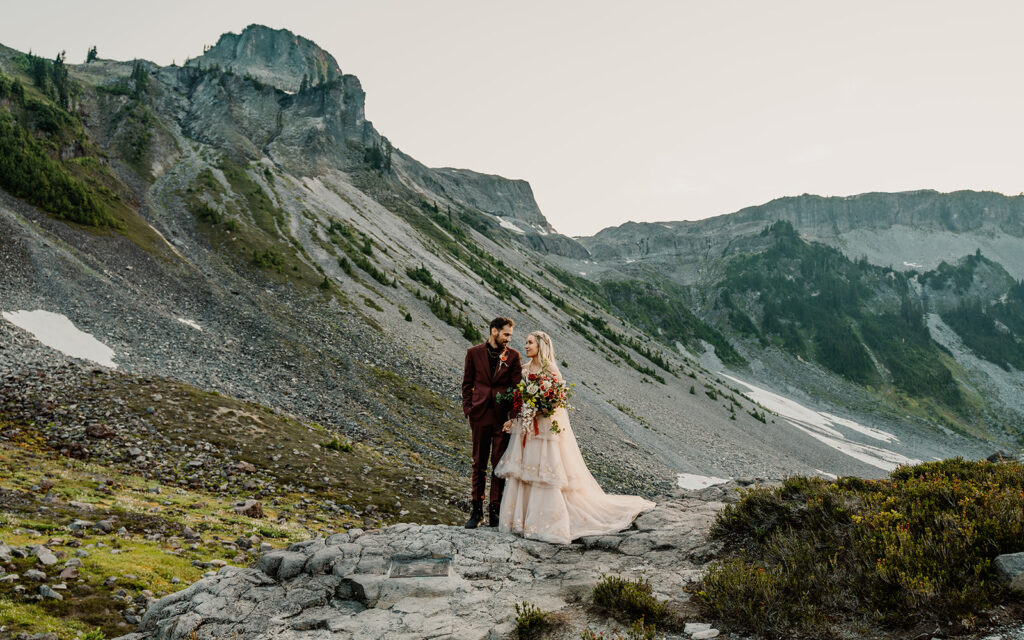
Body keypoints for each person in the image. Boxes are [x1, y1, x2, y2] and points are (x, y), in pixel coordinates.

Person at [495, 331, 655, 544]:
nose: (526, 346)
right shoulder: (523, 370)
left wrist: (538, 408)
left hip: (544, 430)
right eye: (525, 342)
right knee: (526, 472)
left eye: (530, 342)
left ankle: (546, 523)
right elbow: (518, 399)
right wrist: (518, 415)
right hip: (527, 430)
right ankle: (523, 521)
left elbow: (556, 402)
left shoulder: (551, 370)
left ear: (542, 345)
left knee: (545, 473)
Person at [461, 316, 522, 528]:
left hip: (501, 419)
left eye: (510, 335)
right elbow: (467, 383)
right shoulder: (473, 353)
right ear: (494, 331)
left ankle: (495, 511)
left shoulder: (513, 357)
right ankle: (476, 512)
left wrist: (512, 417)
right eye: (506, 334)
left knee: (499, 465)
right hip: (479, 416)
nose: (509, 339)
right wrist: (468, 409)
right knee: (478, 464)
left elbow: (517, 390)